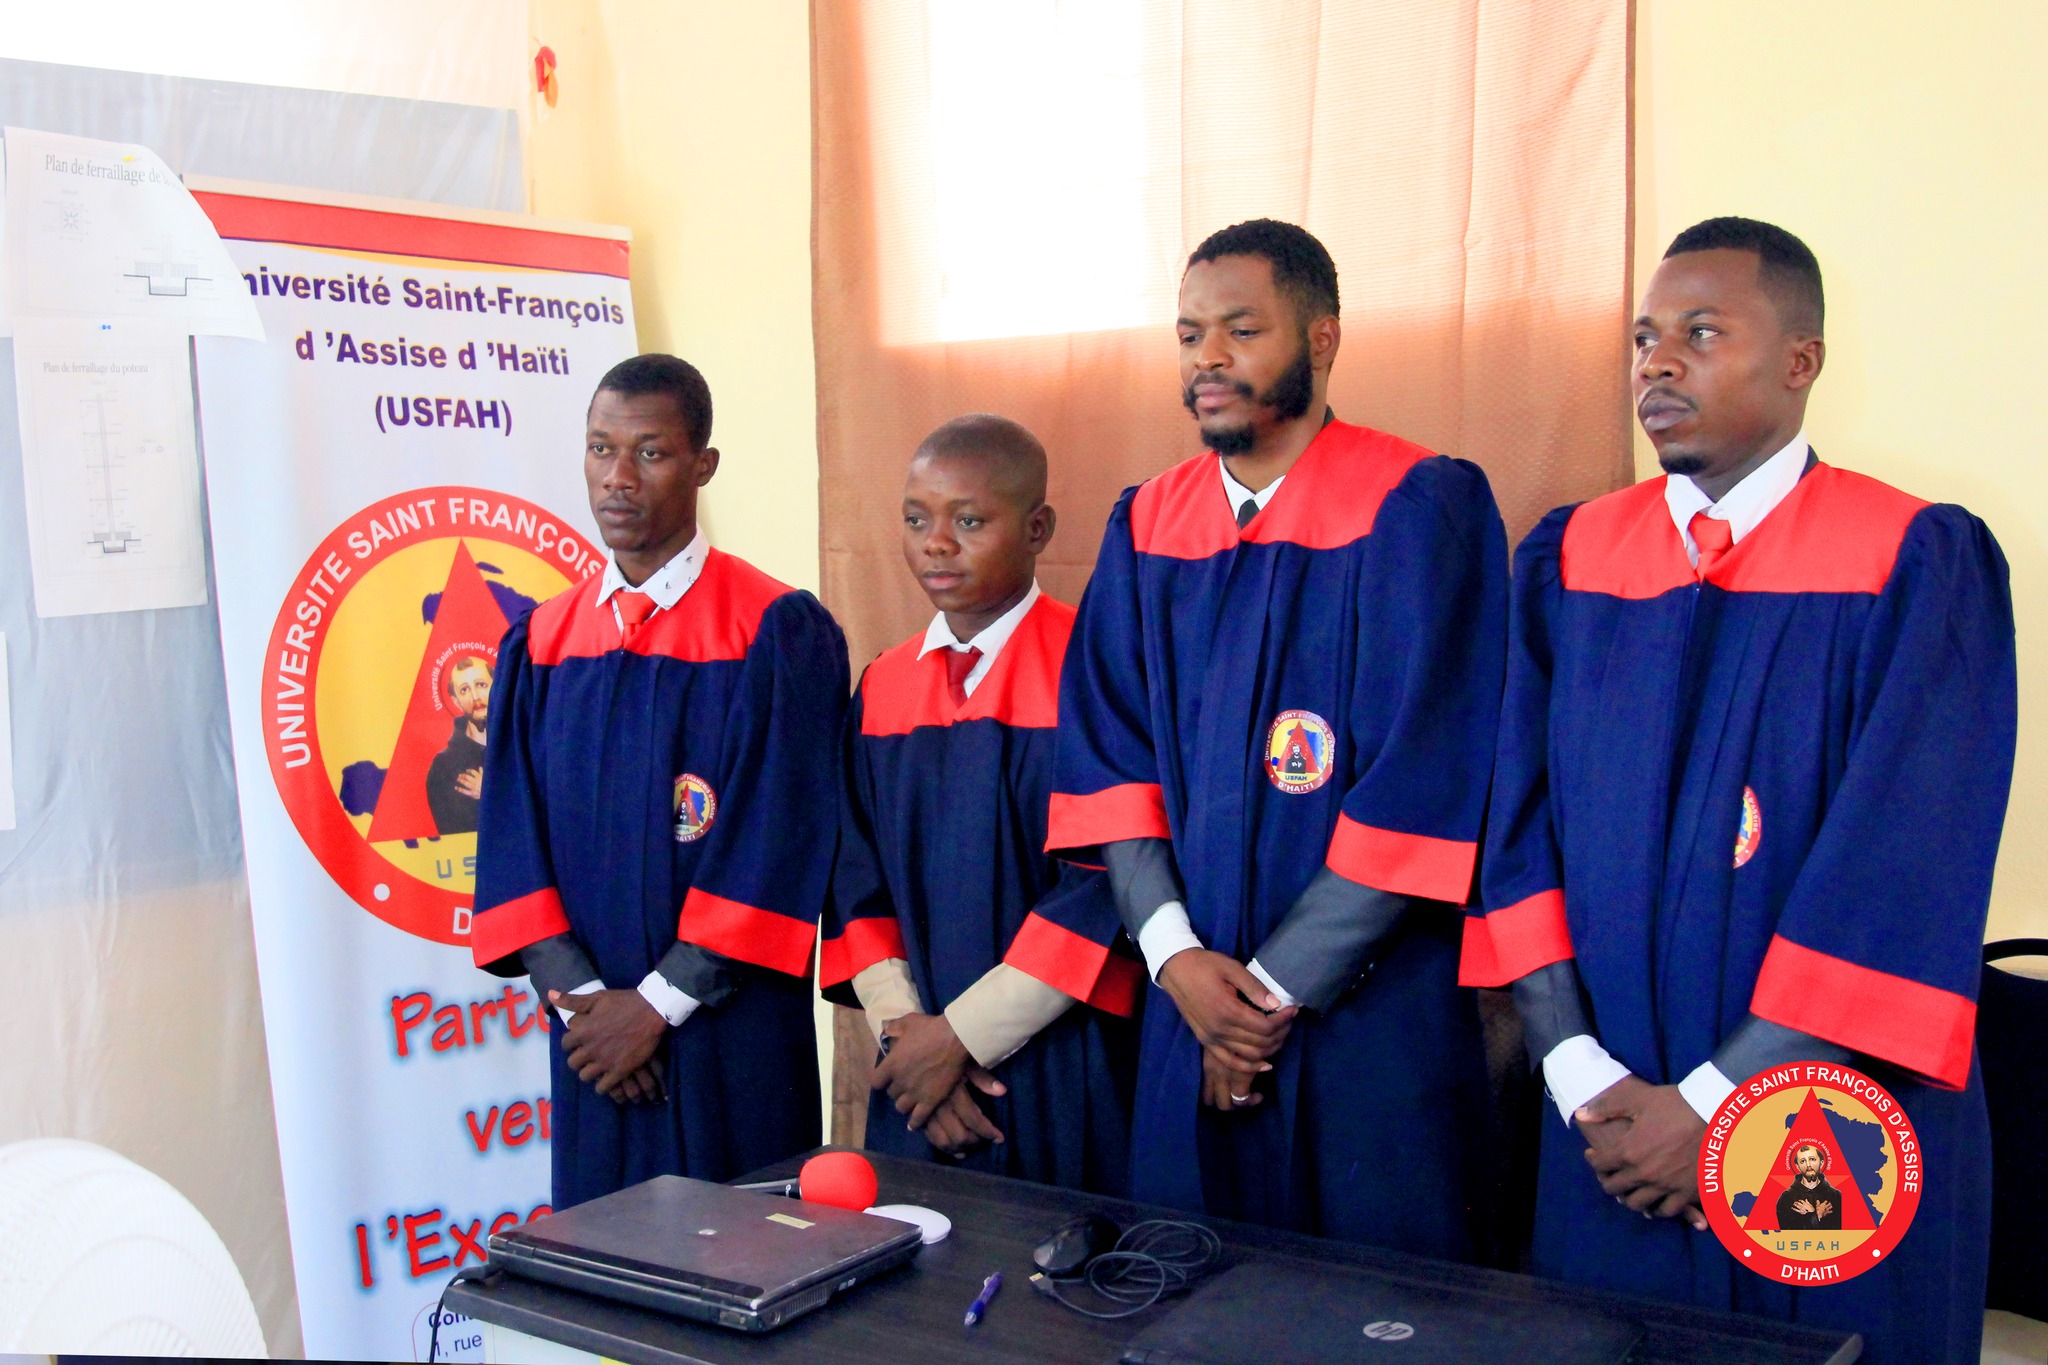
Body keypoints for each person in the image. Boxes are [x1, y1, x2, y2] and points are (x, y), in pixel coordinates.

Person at [1466, 217, 2014, 1362]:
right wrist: (1578, 1077)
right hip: (1602, 1121)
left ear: (1799, 360)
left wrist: (1713, 1105)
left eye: (1699, 334)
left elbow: (1901, 870)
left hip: (1817, 1117)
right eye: (1642, 339)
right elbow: (1512, 831)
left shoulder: (1908, 559)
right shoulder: (1568, 560)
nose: (1654, 364)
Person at [1048, 219, 1508, 1254]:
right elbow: (1111, 766)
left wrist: (1262, 999)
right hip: (1184, 1003)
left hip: (1366, 1022)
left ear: (1322, 339)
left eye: (1240, 330)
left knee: (1376, 1311)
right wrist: (1174, 962)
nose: (1205, 358)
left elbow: (1430, 776)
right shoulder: (1145, 524)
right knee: (1179, 1296)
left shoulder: (1418, 505)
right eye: (1186, 335)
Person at [470, 354, 849, 1209]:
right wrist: (586, 1008)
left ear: (703, 465)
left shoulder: (772, 629)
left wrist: (656, 1008)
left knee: (748, 1266)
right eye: (601, 449)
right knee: (606, 1276)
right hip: (595, 1047)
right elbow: (512, 838)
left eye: (650, 453)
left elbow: (779, 838)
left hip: (726, 1033)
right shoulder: (541, 643)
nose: (618, 478)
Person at [820, 414, 1140, 1192]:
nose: (937, 542)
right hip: (915, 1077)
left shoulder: (1091, 673)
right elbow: (854, 880)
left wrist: (957, 1039)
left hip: (1062, 1060)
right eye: (916, 519)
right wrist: (908, 1038)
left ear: (1037, 529)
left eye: (969, 520)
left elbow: (1103, 884)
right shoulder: (884, 687)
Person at [425, 654, 492, 834]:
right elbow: (454, 836)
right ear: (456, 701)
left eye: (481, 685)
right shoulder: (443, 767)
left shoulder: (521, 748)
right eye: (464, 690)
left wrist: (490, 793)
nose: (475, 696)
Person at [1775, 1144, 1842, 1231]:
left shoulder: (1836, 1196)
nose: (1808, 1165)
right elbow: (1787, 1234)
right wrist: (1816, 1215)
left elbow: (1841, 1234)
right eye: (1802, 1161)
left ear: (1821, 1162)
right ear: (1797, 1166)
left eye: (1812, 1159)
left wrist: (1810, 1215)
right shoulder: (1786, 1197)